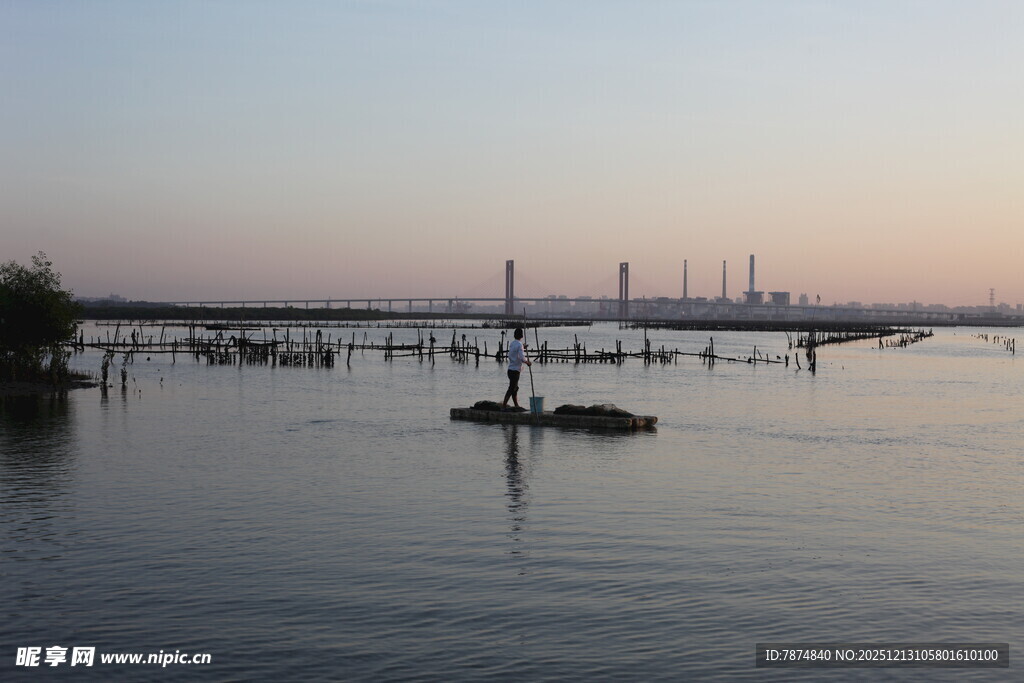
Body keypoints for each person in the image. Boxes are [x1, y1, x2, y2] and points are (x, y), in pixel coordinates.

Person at [501, 327, 532, 410]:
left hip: (510, 370)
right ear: (521, 336)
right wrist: (528, 362)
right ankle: (504, 405)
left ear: (515, 335)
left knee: (515, 388)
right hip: (515, 371)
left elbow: (515, 351)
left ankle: (516, 405)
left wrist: (523, 347)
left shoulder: (513, 343)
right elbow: (522, 357)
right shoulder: (519, 345)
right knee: (512, 388)